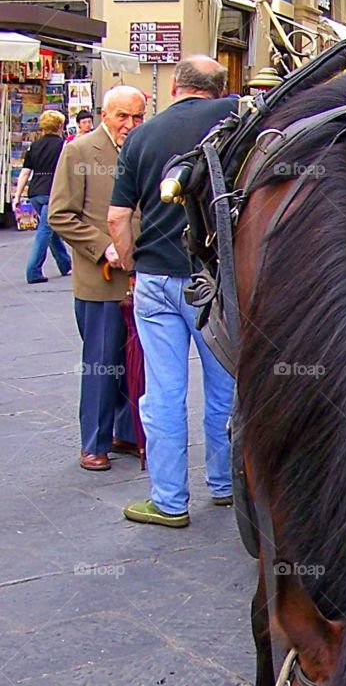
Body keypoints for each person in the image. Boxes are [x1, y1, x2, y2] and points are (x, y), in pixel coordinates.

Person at [108, 56, 237, 528]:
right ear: (219, 87)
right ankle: (225, 484)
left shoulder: (142, 135)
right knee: (225, 386)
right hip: (214, 281)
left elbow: (118, 217)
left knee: (162, 391)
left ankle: (169, 500)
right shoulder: (235, 119)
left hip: (156, 279)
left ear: (175, 85)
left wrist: (130, 264)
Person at [49, 86, 147, 471]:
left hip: (139, 276)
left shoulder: (143, 147)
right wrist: (102, 246)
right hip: (100, 280)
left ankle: (124, 432)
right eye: (123, 116)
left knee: (132, 362)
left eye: (137, 117)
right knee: (101, 364)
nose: (130, 125)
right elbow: (60, 214)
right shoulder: (78, 150)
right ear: (105, 114)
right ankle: (94, 442)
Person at [11, 110, 72, 284]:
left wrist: (17, 196)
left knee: (50, 229)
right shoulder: (63, 145)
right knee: (44, 231)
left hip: (35, 192)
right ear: (60, 126)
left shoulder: (34, 146)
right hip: (53, 191)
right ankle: (33, 270)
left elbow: (25, 173)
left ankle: (65, 263)